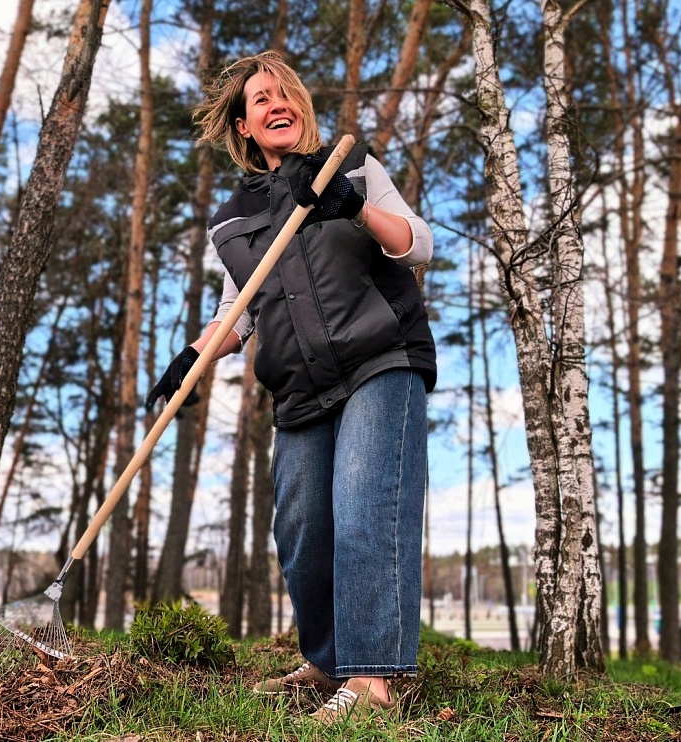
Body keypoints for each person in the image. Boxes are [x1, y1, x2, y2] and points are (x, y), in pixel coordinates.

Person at [145, 51, 435, 724]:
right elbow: (236, 313)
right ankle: (328, 662)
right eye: (261, 99)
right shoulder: (233, 219)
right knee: (301, 527)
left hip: (380, 361)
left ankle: (372, 683)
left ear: (300, 106)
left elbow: (418, 245)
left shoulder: (350, 166)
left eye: (285, 94)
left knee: (365, 510)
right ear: (243, 126)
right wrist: (189, 359)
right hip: (300, 384)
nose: (277, 104)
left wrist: (356, 208)